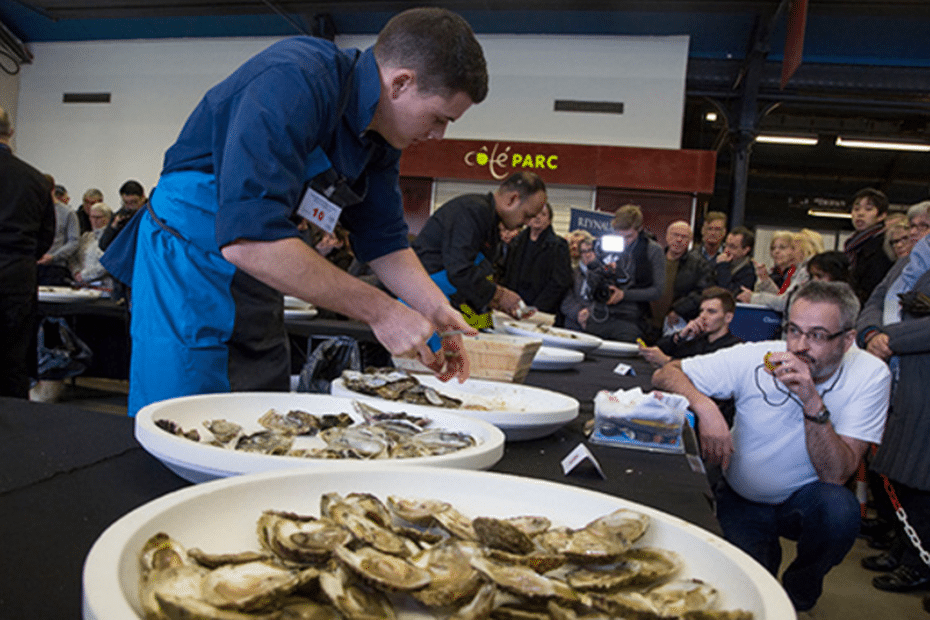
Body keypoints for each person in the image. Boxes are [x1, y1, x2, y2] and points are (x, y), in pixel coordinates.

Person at [102, 7, 489, 416]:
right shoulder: (295, 78)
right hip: (190, 258)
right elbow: (247, 239)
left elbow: (385, 241)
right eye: (438, 118)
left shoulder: (380, 137)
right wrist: (382, 312)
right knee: (184, 411)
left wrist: (436, 310)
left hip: (267, 266)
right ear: (401, 83)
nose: (439, 134)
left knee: (260, 411)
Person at [653, 280, 890, 612]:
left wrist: (811, 400)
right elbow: (666, 373)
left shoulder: (869, 374)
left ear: (848, 340)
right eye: (794, 330)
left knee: (839, 511)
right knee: (749, 596)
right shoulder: (756, 356)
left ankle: (802, 583)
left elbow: (836, 474)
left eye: (818, 335)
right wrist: (705, 408)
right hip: (744, 495)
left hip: (806, 498)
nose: (800, 346)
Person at [856, 201, 930, 598]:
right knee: (893, 475)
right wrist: (870, 334)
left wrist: (891, 340)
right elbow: (875, 301)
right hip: (894, 379)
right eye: (912, 225)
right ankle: (906, 552)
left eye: (925, 225)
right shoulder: (905, 265)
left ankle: (919, 563)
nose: (917, 232)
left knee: (918, 482)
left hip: (920, 383)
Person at [412, 172, 546, 328]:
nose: (528, 223)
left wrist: (496, 303)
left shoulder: (490, 223)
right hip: (418, 304)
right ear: (512, 199)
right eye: (527, 215)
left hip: (442, 303)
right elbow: (459, 270)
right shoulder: (472, 212)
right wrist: (499, 295)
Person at [0, 105, 56, 398]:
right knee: (13, 359)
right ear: (10, 132)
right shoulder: (35, 179)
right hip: (18, 277)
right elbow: (46, 236)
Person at [579, 204, 665, 342]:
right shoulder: (603, 246)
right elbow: (591, 283)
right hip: (599, 315)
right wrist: (597, 266)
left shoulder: (653, 250)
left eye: (629, 237)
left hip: (629, 319)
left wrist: (624, 295)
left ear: (639, 229)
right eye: (619, 236)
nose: (624, 242)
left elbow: (657, 291)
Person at [639, 286, 741, 368]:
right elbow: (659, 349)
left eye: (711, 311)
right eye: (701, 311)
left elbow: (706, 371)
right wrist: (680, 336)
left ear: (728, 317)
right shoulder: (698, 339)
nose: (703, 316)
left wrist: (667, 361)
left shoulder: (735, 348)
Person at [500, 202, 572, 314]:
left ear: (549, 220)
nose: (538, 217)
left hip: (543, 308)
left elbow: (560, 281)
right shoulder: (516, 242)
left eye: (543, 214)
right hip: (514, 305)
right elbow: (507, 273)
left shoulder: (558, 245)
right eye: (535, 214)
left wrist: (539, 307)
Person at [651, 220, 715, 334]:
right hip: (648, 323)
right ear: (667, 237)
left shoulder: (699, 265)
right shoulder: (652, 259)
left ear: (689, 241)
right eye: (675, 235)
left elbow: (703, 293)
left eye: (684, 237)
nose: (679, 240)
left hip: (676, 325)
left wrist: (678, 310)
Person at [846, 187, 894, 306]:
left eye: (868, 209)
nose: (860, 214)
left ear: (882, 215)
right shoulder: (852, 245)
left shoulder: (885, 245)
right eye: (856, 209)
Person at [37, 180, 80, 285]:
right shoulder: (34, 209)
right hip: (33, 265)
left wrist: (54, 256)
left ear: (52, 190)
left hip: (55, 267)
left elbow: (74, 241)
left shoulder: (67, 212)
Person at [70, 202, 114, 288]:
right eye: (91, 217)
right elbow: (72, 257)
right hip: (82, 286)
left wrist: (84, 276)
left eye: (98, 217)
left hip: (103, 287)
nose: (94, 220)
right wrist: (76, 272)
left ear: (108, 218)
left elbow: (107, 264)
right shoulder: (86, 237)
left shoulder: (113, 239)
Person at [98, 180, 146, 252]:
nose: (130, 207)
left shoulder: (152, 214)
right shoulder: (120, 215)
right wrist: (113, 227)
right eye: (126, 202)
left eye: (134, 202)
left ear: (143, 197)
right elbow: (103, 245)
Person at [713, 225, 756, 295]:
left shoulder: (749, 274)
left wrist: (723, 267)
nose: (726, 250)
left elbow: (728, 294)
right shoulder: (717, 261)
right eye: (725, 245)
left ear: (745, 250)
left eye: (732, 247)